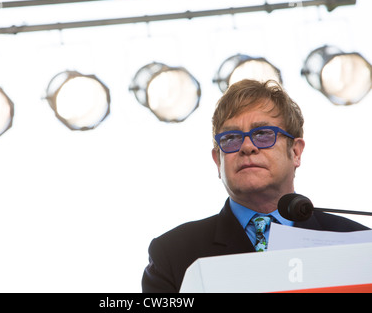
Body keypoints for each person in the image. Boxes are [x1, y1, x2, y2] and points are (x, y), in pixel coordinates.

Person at [141, 79, 369, 293]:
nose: (247, 147)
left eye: (262, 134)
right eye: (231, 138)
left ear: (296, 152)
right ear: (217, 161)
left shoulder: (357, 243)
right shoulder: (172, 254)